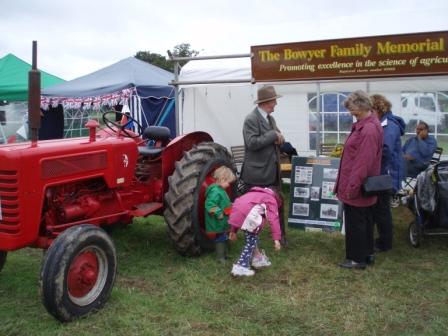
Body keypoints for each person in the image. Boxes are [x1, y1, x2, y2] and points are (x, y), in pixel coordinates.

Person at [334, 90, 383, 270]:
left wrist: (352, 187)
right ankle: (367, 254)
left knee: (356, 223)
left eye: (352, 109)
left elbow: (363, 163)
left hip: (357, 184)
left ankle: (356, 259)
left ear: (362, 106)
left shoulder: (368, 129)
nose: (350, 112)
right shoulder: (367, 125)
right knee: (366, 220)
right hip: (362, 184)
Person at [241, 85, 287, 245]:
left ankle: (280, 237)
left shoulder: (270, 118)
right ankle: (252, 241)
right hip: (256, 174)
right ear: (267, 102)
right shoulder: (251, 119)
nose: (276, 104)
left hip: (271, 171)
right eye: (274, 100)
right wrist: (273, 135)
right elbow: (252, 143)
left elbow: (277, 137)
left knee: (278, 203)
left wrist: (280, 138)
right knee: (253, 210)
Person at [371, 94, 406, 253]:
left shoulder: (389, 126)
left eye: (371, 110)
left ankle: (385, 242)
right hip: (383, 173)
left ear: (378, 108)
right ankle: (382, 239)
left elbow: (385, 150)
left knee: (382, 210)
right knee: (379, 208)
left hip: (387, 175)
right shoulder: (384, 123)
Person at [228, 187, 282, 277]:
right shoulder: (271, 199)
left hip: (237, 211)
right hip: (249, 216)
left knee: (252, 237)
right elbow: (273, 219)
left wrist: (233, 230)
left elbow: (240, 209)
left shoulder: (254, 194)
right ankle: (240, 267)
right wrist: (276, 239)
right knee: (250, 242)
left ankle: (257, 259)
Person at [204, 166, 236, 262]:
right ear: (222, 179)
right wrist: (218, 212)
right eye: (227, 182)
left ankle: (225, 255)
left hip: (223, 220)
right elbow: (209, 204)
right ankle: (220, 257)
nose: (229, 185)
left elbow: (223, 203)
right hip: (217, 220)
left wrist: (231, 205)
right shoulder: (215, 191)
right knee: (220, 238)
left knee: (224, 236)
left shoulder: (221, 190)